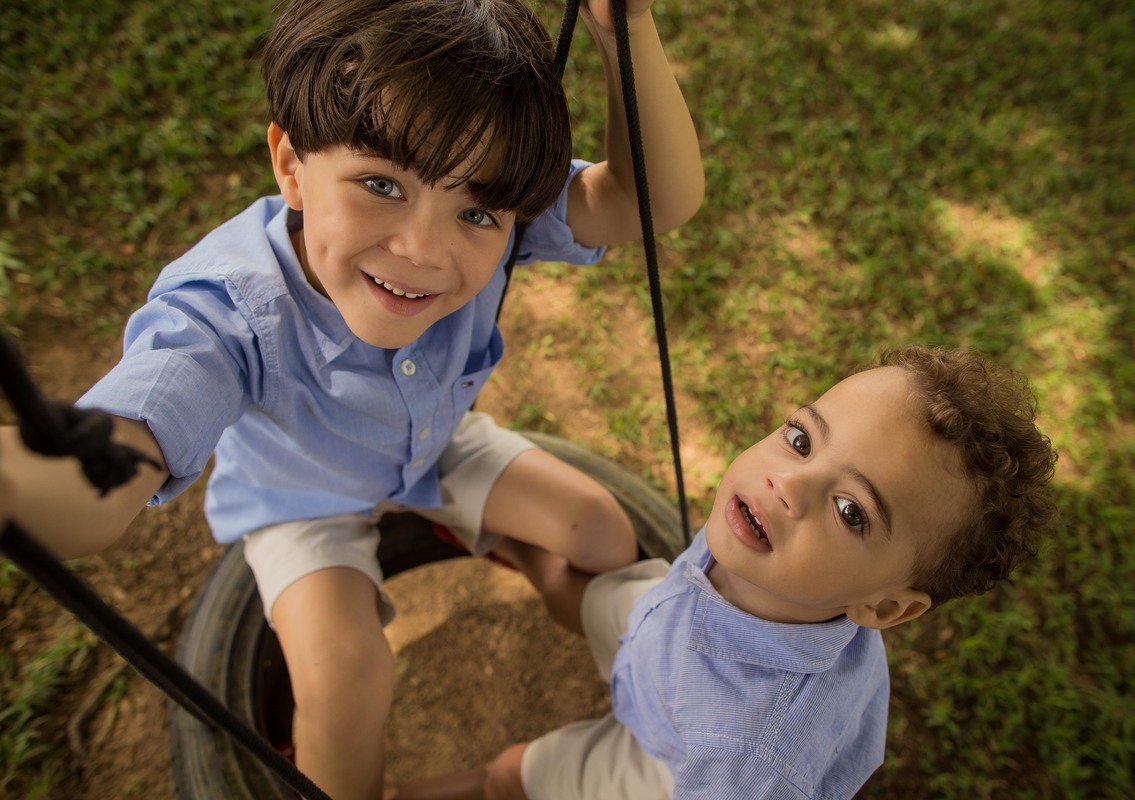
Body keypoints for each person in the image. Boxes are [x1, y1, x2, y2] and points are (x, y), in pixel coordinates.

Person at [0, 0, 704, 797]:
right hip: (299, 496)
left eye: (475, 210)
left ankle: (565, 600)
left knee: (602, 532)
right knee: (346, 678)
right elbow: (119, 456)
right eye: (380, 184)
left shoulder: (499, 222)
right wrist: (19, 484)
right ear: (291, 165)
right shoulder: (229, 311)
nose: (423, 249)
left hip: (435, 446)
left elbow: (650, 201)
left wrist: (625, 31)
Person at [392, 344, 1059, 800]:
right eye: (802, 439)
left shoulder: (752, 758)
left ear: (883, 609)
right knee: (573, 591)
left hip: (668, 760)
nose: (788, 485)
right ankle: (498, 536)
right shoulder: (764, 548)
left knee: (512, 777)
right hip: (673, 622)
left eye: (852, 511)